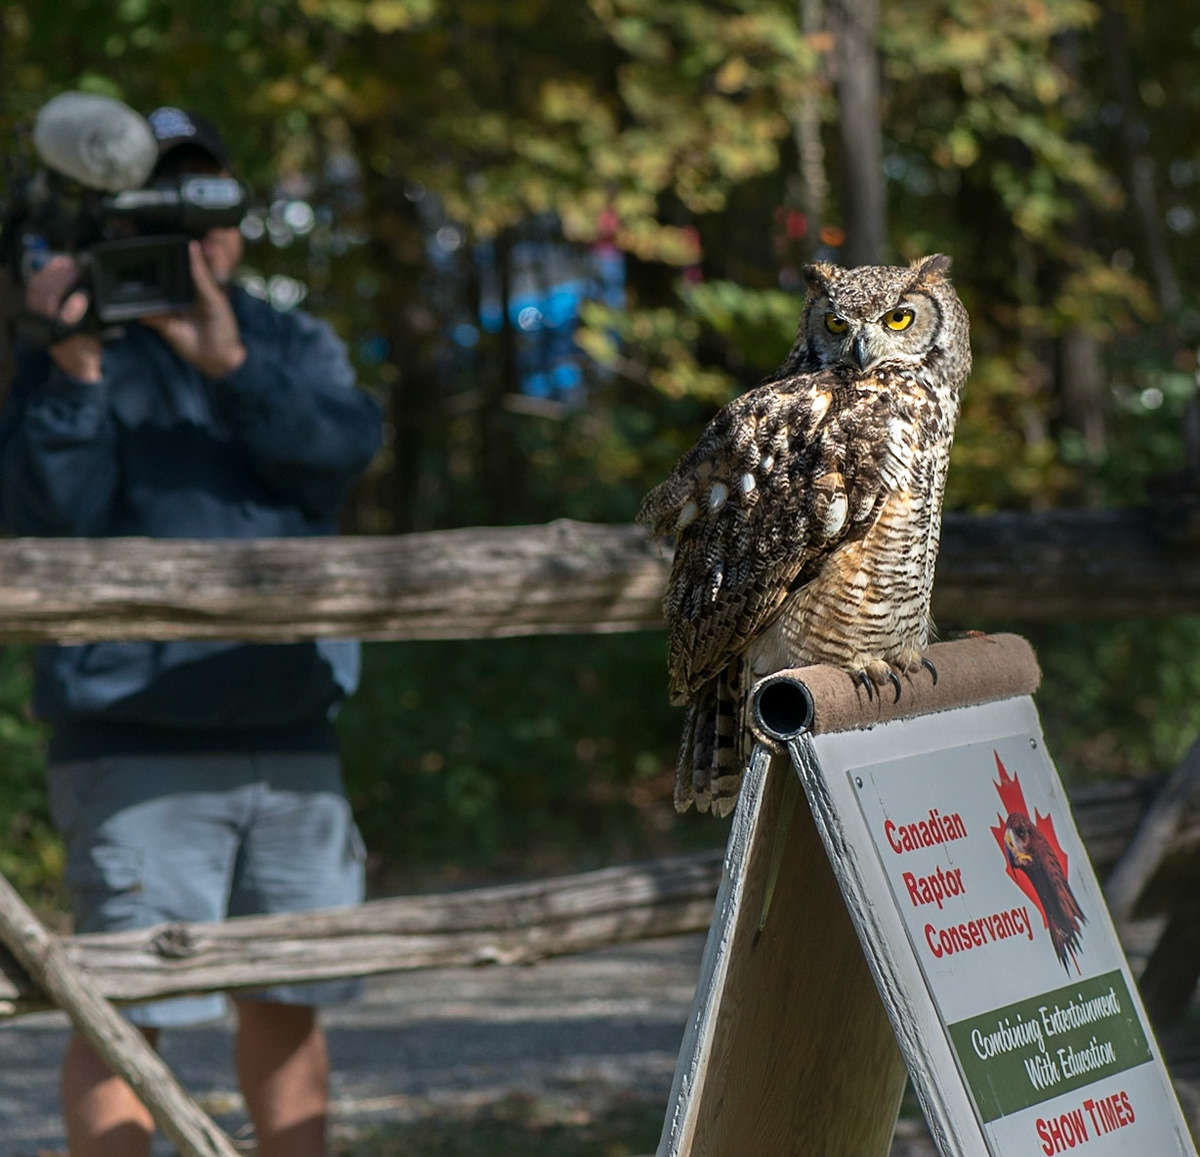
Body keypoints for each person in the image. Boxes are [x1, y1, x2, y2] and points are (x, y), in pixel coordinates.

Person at [0, 106, 384, 1157]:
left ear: (237, 224)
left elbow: (340, 451)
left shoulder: (286, 337)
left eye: (206, 208)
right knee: (129, 1014)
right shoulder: (74, 344)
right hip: (131, 737)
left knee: (288, 998)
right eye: (159, 214)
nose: (191, 240)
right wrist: (71, 365)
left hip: (292, 726)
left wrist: (230, 363)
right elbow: (44, 525)